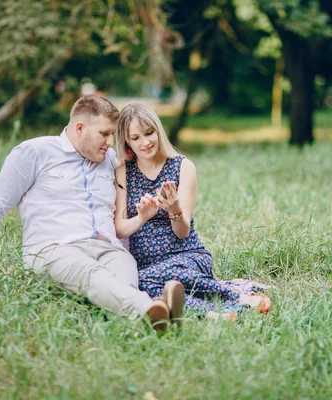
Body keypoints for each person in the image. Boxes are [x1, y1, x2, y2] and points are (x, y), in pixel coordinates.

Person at [0, 95, 184, 332]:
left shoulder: (108, 160)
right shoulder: (34, 152)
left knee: (124, 270)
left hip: (107, 249)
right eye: (104, 134)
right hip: (54, 249)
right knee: (90, 273)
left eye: (112, 135)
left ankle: (146, 321)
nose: (111, 142)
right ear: (79, 128)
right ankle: (150, 308)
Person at [113, 103, 269, 317]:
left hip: (186, 255)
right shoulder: (123, 170)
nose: (145, 142)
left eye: (149, 133)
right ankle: (216, 315)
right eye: (136, 137)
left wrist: (174, 209)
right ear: (127, 141)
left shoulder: (183, 167)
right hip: (147, 265)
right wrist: (142, 217)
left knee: (144, 282)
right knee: (147, 284)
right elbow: (120, 228)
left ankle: (235, 297)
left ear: (158, 131)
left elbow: (182, 232)